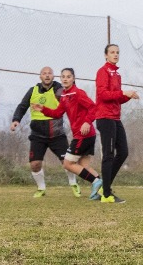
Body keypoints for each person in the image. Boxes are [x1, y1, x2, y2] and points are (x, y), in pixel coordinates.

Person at [33, 68, 104, 200]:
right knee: (84, 166)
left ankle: (96, 182)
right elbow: (57, 113)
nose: (65, 79)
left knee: (68, 164)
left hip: (84, 135)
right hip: (83, 135)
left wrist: (87, 122)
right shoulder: (65, 96)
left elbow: (93, 108)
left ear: (73, 78)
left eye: (68, 76)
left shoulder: (78, 93)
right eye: (63, 77)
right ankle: (103, 191)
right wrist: (43, 109)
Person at [11, 67, 79, 198]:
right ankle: (41, 188)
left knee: (67, 163)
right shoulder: (33, 91)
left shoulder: (58, 89)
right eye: (44, 73)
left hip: (57, 134)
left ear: (54, 76)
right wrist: (16, 119)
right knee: (35, 164)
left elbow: (70, 95)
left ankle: (73, 183)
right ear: (40, 76)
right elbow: (22, 106)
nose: (47, 75)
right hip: (38, 135)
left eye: (50, 73)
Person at [95, 44, 139, 204]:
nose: (115, 55)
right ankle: (106, 194)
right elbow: (103, 94)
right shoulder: (103, 72)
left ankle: (104, 187)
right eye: (112, 52)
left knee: (123, 152)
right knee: (108, 155)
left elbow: (116, 98)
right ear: (106, 55)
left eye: (117, 52)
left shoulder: (117, 74)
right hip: (104, 117)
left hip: (115, 118)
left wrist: (128, 96)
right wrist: (122, 92)